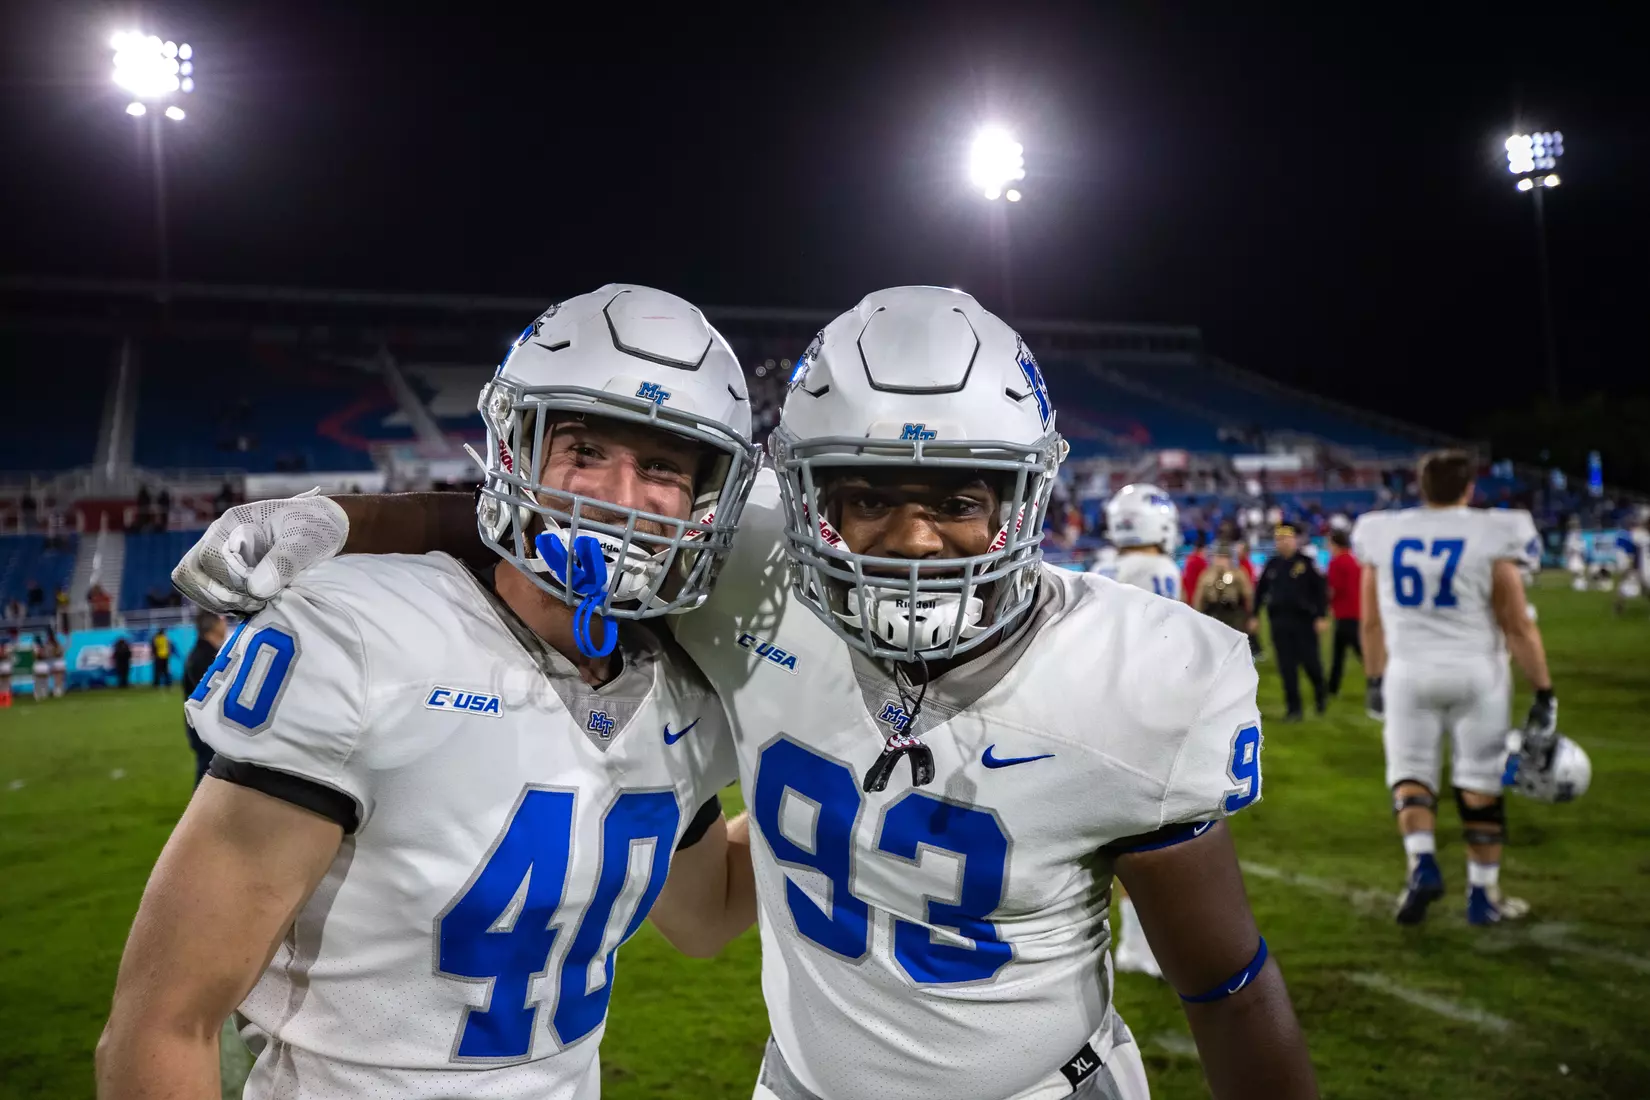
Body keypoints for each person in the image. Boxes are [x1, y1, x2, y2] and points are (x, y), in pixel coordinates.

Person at [177, 287, 1318, 1099]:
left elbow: (1225, 980)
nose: (916, 537)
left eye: (960, 497)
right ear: (803, 497)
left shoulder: (1140, 680)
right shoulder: (751, 571)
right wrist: (348, 517)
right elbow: (538, 520)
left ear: (1025, 500)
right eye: (868, 495)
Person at [98, 285, 763, 1100]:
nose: (620, 497)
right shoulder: (363, 634)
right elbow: (165, 1023)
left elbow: (705, 915)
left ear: (707, 500)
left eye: (661, 467)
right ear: (517, 451)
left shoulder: (681, 693)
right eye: (585, 451)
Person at [1353, 449, 1555, 925]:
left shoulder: (1385, 533)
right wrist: (1543, 689)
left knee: (1411, 775)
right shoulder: (1489, 532)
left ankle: (1422, 863)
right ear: (1469, 489)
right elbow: (1517, 624)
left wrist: (1374, 678)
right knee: (1480, 781)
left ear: (1420, 487)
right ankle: (1483, 896)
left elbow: (1370, 622)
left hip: (1408, 672)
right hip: (1476, 672)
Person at [1099, 482, 1186, 980]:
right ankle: (1137, 946)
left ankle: (1127, 943)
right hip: (1142, 709)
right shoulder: (1157, 568)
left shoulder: (1101, 565)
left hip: (1098, 705)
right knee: (1148, 837)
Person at [1255, 524, 1329, 720]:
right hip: (1279, 622)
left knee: (1311, 664)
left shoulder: (1307, 563)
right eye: (1279, 539)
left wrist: (1321, 615)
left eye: (1287, 538)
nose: (1283, 542)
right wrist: (1254, 615)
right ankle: (1293, 709)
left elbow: (1320, 591)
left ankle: (1320, 694)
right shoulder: (1272, 565)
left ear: (1295, 540)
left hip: (1303, 622)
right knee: (1287, 668)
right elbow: (1260, 591)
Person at [180, 611, 230, 786]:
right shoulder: (203, 658)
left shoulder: (204, 654)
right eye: (222, 620)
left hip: (205, 728)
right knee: (208, 777)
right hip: (206, 729)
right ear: (213, 626)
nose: (225, 624)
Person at [1324, 529, 1363, 696]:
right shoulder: (1354, 560)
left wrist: (1323, 606)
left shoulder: (1337, 562)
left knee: (1343, 653)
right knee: (1345, 652)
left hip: (1344, 614)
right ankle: (1332, 687)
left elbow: (1334, 588)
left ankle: (1380, 681)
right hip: (1357, 611)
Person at [1194, 543, 1256, 636]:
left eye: (1224, 558)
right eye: (1219, 558)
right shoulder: (1206, 574)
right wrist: (1197, 617)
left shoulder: (1239, 573)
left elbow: (1248, 595)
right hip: (1212, 613)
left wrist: (1251, 616)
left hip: (1233, 614)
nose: (1221, 561)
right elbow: (1199, 597)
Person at [1181, 531, 1210, 603]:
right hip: (1196, 595)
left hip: (1186, 594)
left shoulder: (1189, 559)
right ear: (1202, 550)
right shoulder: (1201, 562)